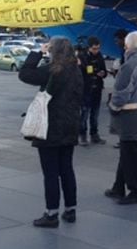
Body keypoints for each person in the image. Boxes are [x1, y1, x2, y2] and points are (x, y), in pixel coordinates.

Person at [18, 37, 84, 228]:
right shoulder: (76, 70)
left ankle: (51, 213)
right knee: (67, 169)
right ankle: (70, 209)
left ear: (53, 51)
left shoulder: (52, 70)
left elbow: (24, 74)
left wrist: (38, 52)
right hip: (70, 125)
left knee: (51, 173)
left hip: (49, 126)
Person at [106, 31, 137, 205]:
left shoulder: (130, 65)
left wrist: (112, 107)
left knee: (131, 155)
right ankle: (119, 186)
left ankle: (136, 191)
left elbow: (121, 93)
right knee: (129, 153)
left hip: (129, 116)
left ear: (127, 46)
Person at [78, 35, 107, 146]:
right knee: (84, 113)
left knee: (95, 114)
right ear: (89, 47)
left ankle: (94, 134)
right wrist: (94, 73)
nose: (96, 51)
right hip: (86, 89)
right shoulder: (82, 56)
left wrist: (103, 73)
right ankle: (82, 135)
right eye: (94, 49)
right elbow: (82, 72)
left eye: (98, 48)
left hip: (97, 89)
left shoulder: (99, 56)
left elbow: (103, 70)